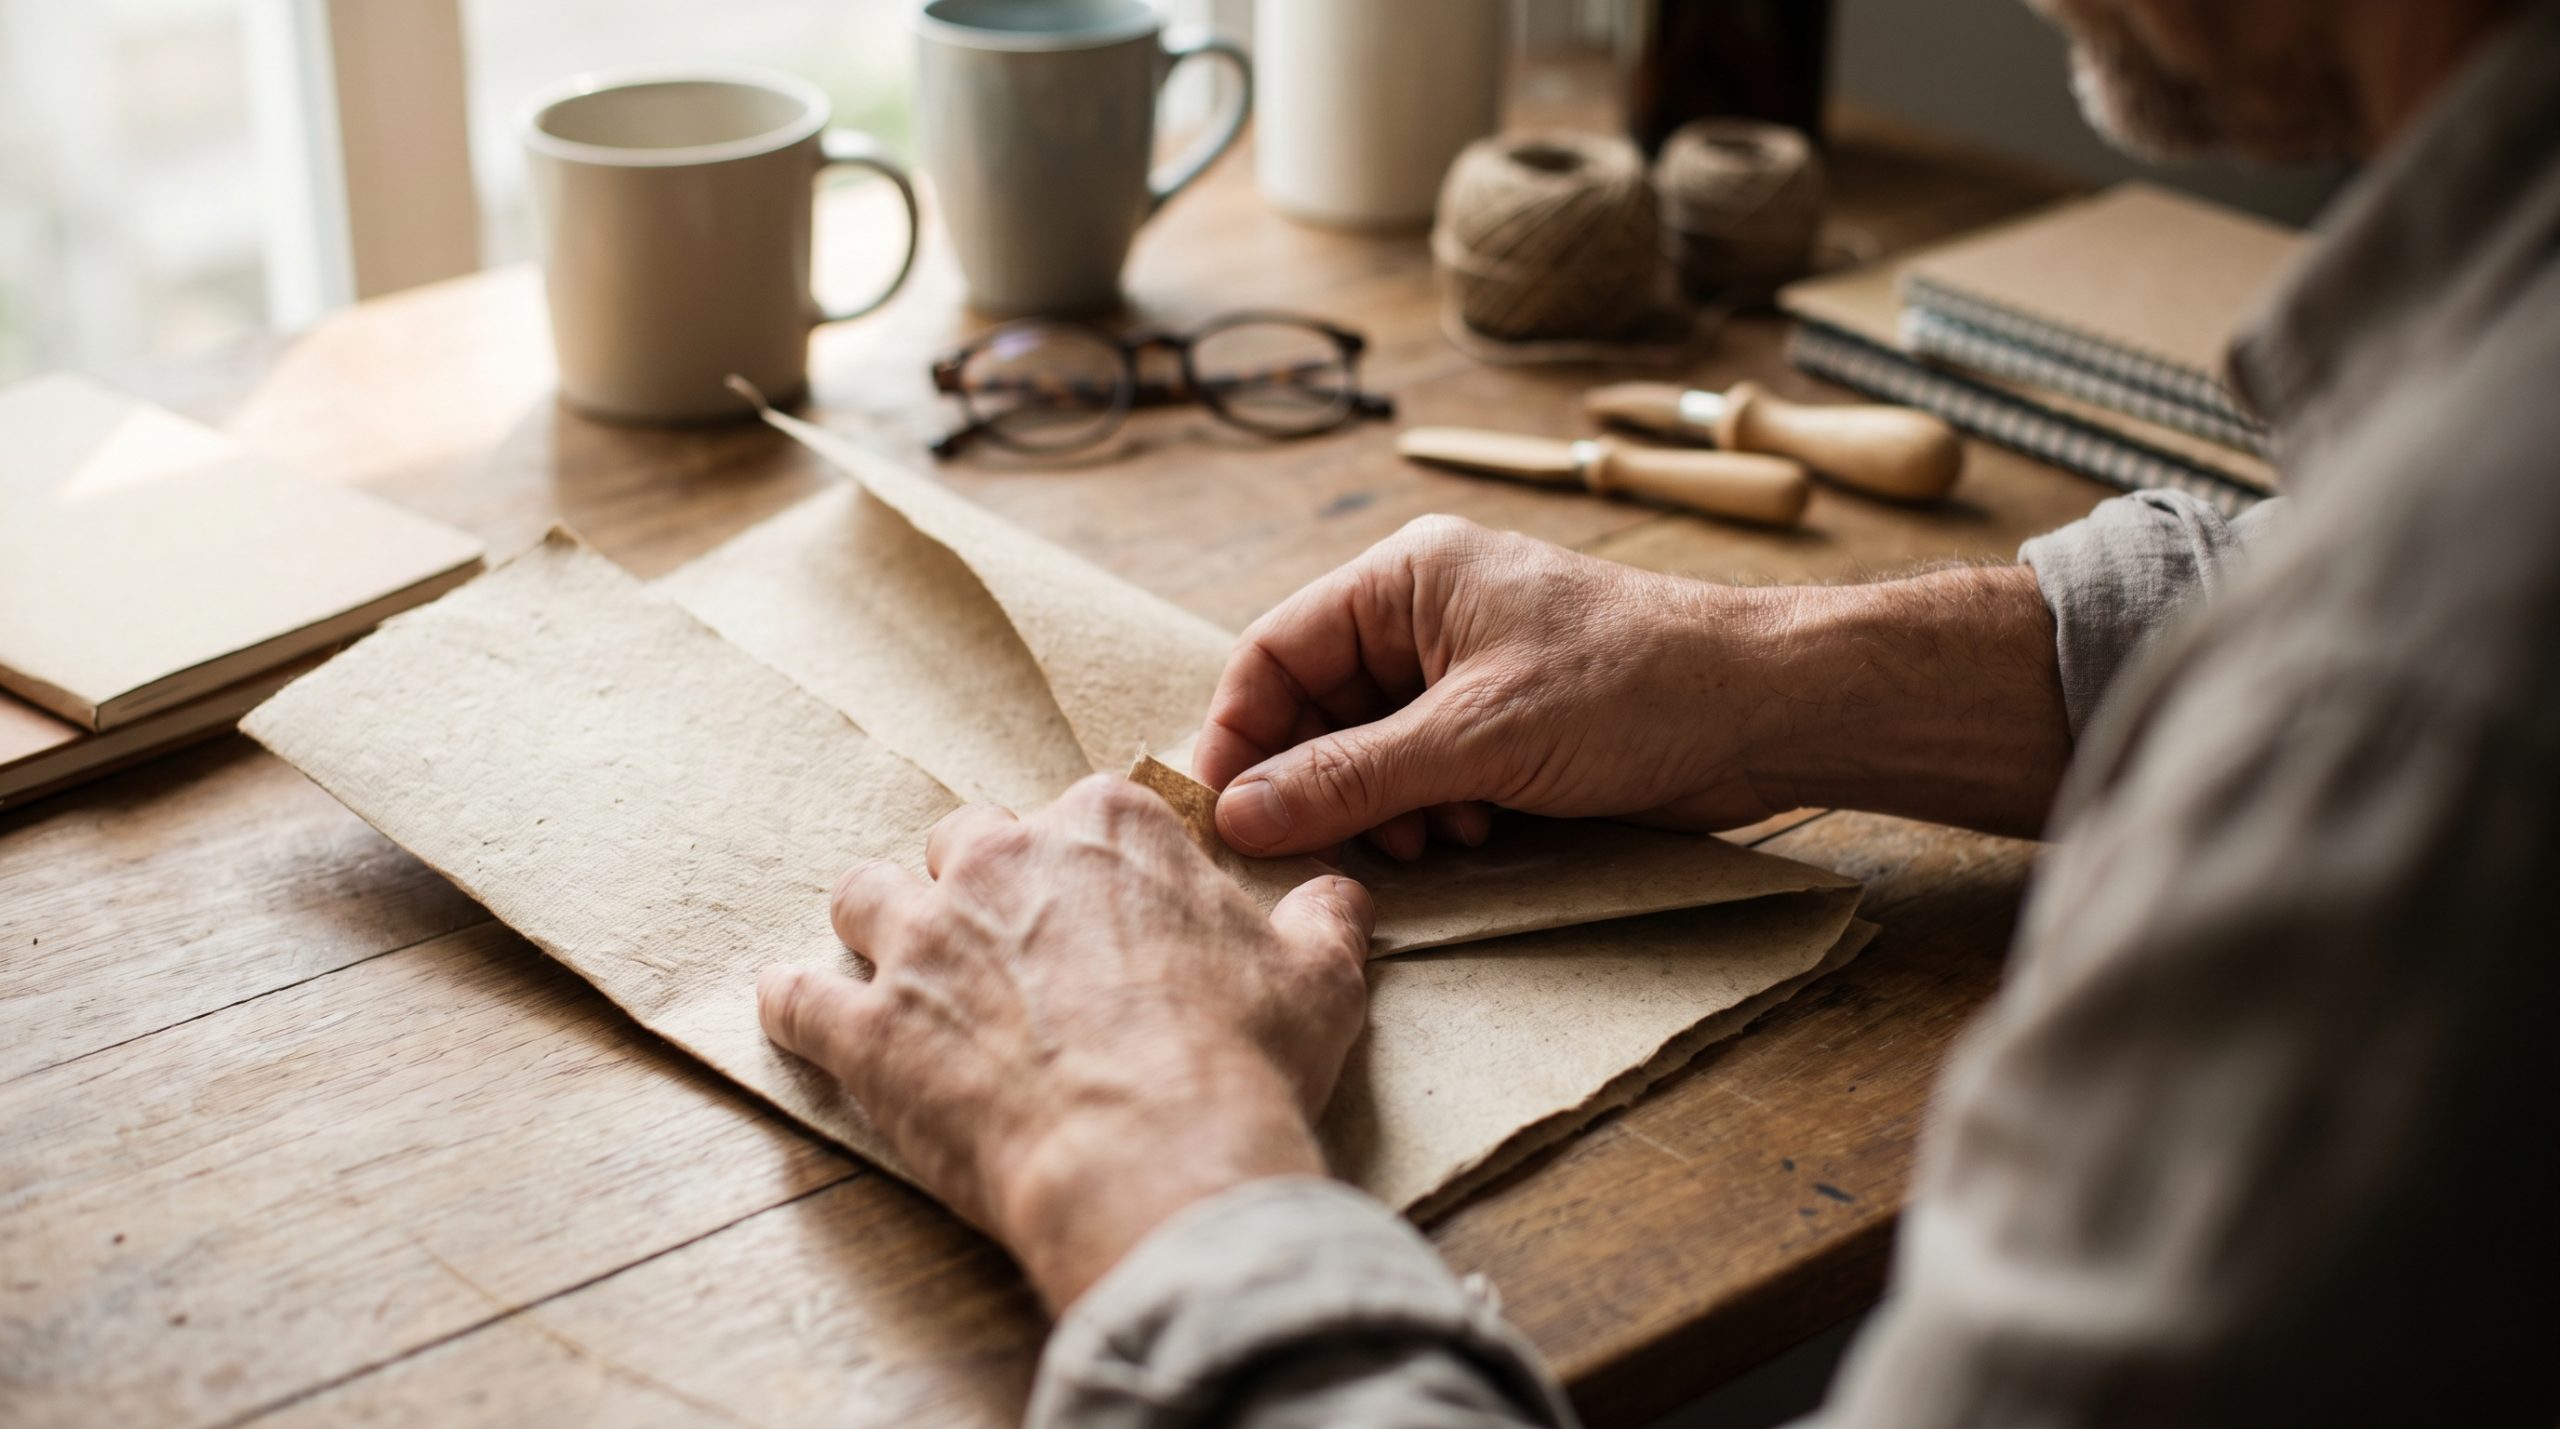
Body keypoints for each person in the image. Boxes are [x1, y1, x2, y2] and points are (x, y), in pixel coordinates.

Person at [755, 0, 2560, 1422]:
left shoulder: (2419, 697)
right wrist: (1771, 680)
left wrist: (1141, 1155)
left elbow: (2394, 652)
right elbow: (2317, 579)